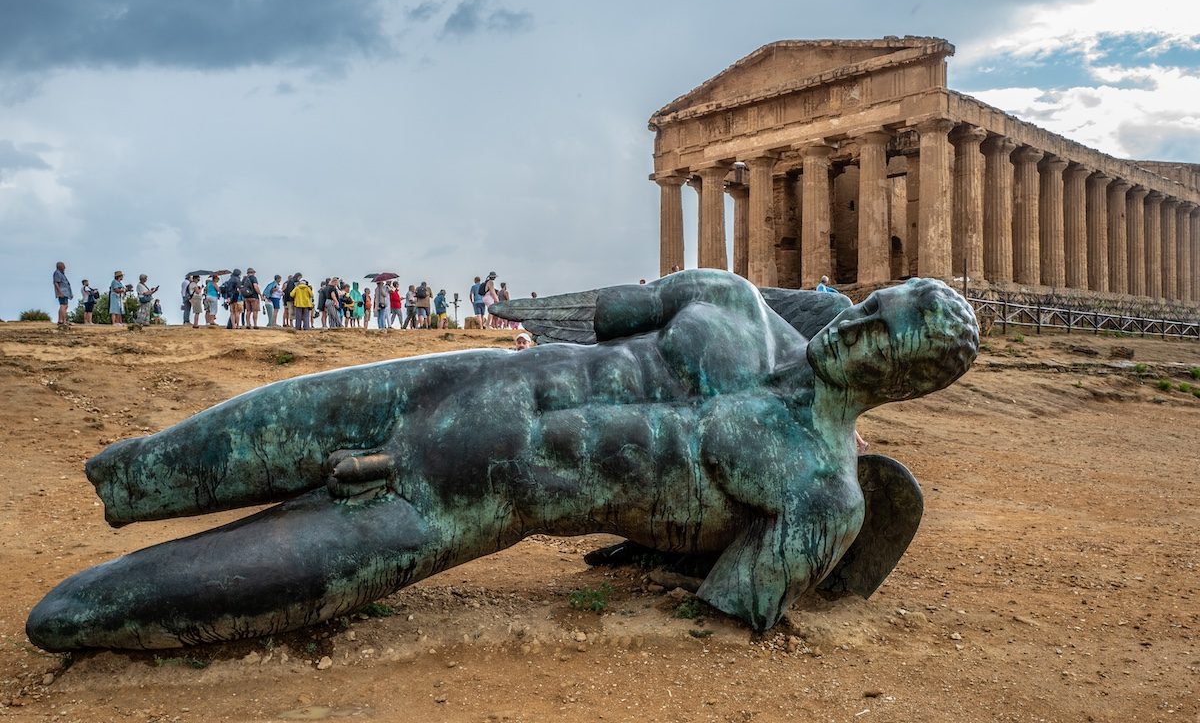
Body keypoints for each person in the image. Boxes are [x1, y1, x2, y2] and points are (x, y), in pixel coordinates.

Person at [32, 272, 978, 650]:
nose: (862, 325)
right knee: (142, 467)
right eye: (876, 303)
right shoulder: (729, 303)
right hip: (455, 384)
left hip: (477, 508)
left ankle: (93, 614)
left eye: (887, 335)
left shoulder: (824, 494)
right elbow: (601, 318)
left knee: (79, 613)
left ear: (909, 380)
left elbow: (727, 607)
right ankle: (131, 487)